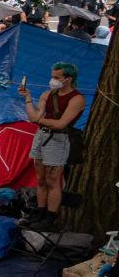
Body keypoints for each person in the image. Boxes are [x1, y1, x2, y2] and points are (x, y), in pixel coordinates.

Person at [22, 62, 85, 227]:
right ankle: (40, 212)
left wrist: (39, 120)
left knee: (53, 180)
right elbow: (33, 116)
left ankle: (50, 217)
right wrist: (28, 99)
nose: (52, 80)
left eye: (57, 77)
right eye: (52, 76)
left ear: (68, 79)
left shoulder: (77, 98)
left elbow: (61, 124)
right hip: (41, 136)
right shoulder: (47, 94)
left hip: (58, 139)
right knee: (41, 179)